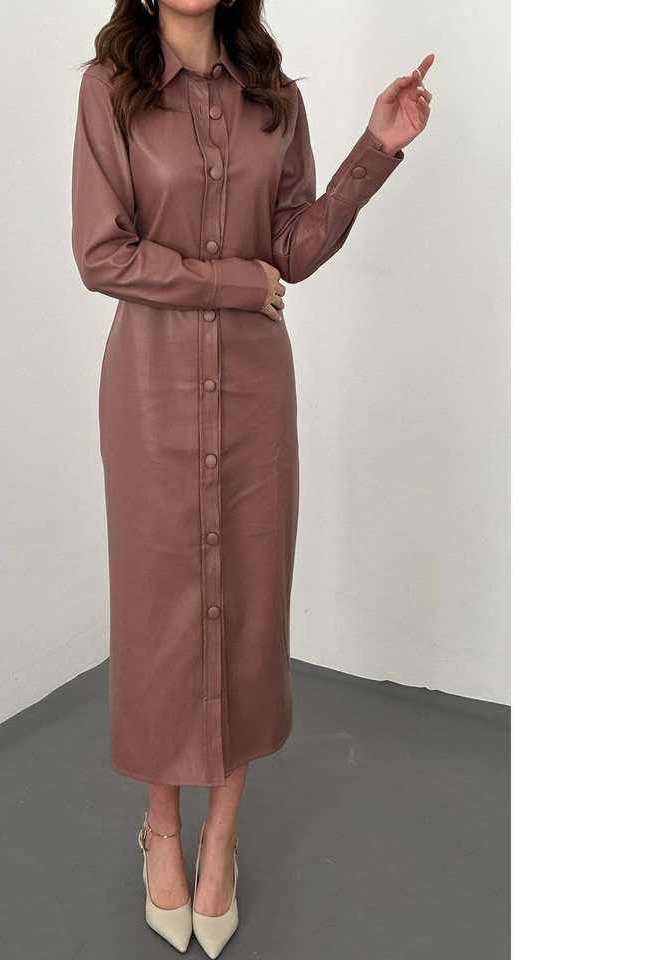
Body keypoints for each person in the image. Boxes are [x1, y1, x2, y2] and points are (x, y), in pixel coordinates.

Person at [71, 1, 432, 954]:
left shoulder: (274, 98)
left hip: (256, 394)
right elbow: (101, 253)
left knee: (250, 604)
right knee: (157, 613)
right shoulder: (110, 91)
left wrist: (375, 150)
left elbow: (291, 251)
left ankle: (221, 838)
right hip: (151, 392)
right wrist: (233, 283)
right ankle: (162, 828)